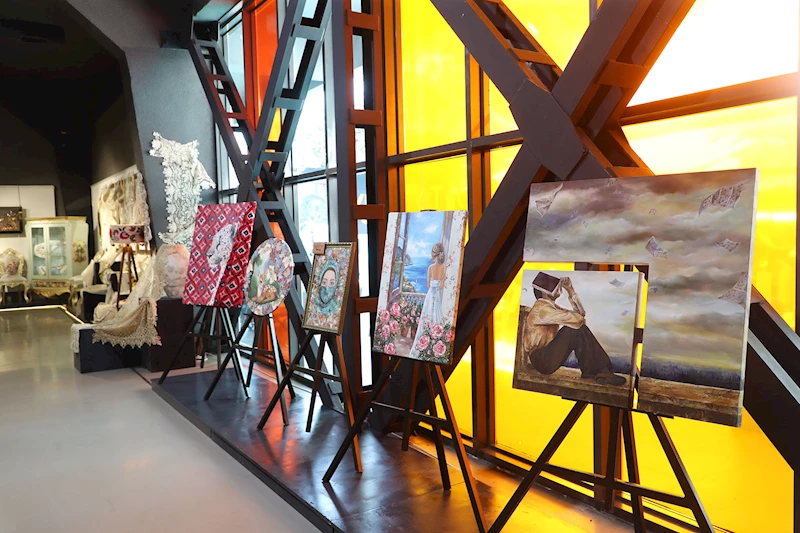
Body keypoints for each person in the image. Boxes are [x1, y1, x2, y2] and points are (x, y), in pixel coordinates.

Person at [522, 272, 626, 386]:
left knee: (576, 328)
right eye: (554, 286)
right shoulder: (542, 309)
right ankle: (601, 371)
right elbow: (578, 319)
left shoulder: (550, 307)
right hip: (541, 360)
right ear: (544, 291)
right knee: (572, 330)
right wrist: (577, 318)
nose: (558, 288)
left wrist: (570, 290)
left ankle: (596, 373)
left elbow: (580, 314)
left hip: (546, 356)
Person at [411, 243, 445, 347]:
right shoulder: (443, 267)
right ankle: (436, 339)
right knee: (437, 314)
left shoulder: (431, 267)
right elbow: (441, 286)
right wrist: (437, 285)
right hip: (437, 295)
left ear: (434, 254)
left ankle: (425, 338)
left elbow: (428, 285)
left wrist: (433, 285)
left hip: (430, 294)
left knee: (428, 313)